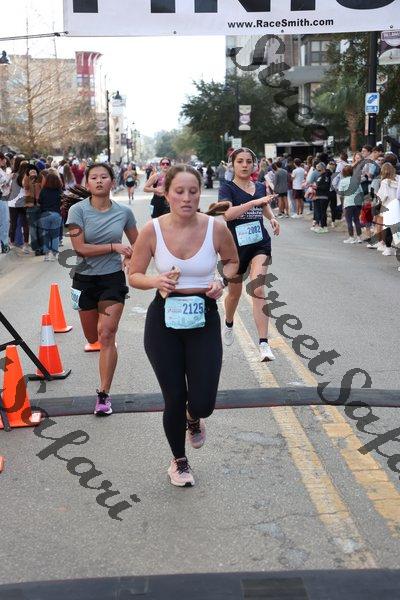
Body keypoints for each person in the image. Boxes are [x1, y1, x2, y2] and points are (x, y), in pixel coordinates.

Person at [129, 164, 238, 487]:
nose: (187, 198)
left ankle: (194, 417)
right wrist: (156, 280)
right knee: (174, 396)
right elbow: (134, 275)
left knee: (203, 401)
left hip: (203, 317)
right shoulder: (152, 230)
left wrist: (221, 281)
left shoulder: (215, 228)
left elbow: (232, 261)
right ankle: (179, 461)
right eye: (179, 191)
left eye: (193, 191)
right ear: (166, 194)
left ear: (200, 193)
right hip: (164, 319)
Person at [66, 163, 138, 415]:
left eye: (104, 177)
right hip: (84, 280)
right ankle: (104, 341)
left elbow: (138, 243)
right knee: (92, 337)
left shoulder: (124, 212)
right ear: (87, 184)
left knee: (106, 334)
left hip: (112, 280)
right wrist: (114, 247)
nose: (99, 181)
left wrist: (130, 257)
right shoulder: (77, 211)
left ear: (112, 182)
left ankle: (103, 395)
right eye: (94, 177)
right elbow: (80, 249)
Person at [218, 148, 280, 361]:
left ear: (254, 164)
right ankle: (228, 322)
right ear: (233, 164)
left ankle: (264, 344)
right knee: (234, 294)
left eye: (248, 161)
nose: (244, 165)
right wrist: (253, 203)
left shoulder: (260, 186)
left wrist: (272, 218)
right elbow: (227, 215)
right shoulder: (227, 188)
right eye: (240, 161)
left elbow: (264, 207)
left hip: (259, 244)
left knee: (258, 288)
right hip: (235, 248)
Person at [37, 170, 63, 261]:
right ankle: (54, 255)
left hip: (45, 214)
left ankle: (46, 255)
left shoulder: (43, 190)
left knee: (46, 235)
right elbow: (62, 202)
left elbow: (39, 201)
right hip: (56, 214)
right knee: (55, 235)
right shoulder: (59, 191)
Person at [376, 162, 400, 257]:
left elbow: (383, 196)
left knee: (388, 228)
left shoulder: (384, 182)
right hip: (397, 205)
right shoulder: (398, 179)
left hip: (388, 206)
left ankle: (388, 249)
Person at [338, 165, 364, 244]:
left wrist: (342, 203)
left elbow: (341, 194)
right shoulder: (356, 180)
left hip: (349, 202)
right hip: (358, 202)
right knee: (357, 220)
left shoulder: (342, 181)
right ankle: (359, 237)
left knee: (349, 220)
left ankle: (351, 237)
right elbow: (361, 192)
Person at [313, 162, 331, 234]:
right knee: (319, 212)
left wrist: (317, 187)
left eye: (318, 167)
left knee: (323, 212)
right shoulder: (319, 176)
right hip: (318, 196)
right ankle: (321, 226)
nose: (317, 169)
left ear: (322, 168)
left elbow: (326, 186)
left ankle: (324, 226)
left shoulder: (326, 176)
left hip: (323, 196)